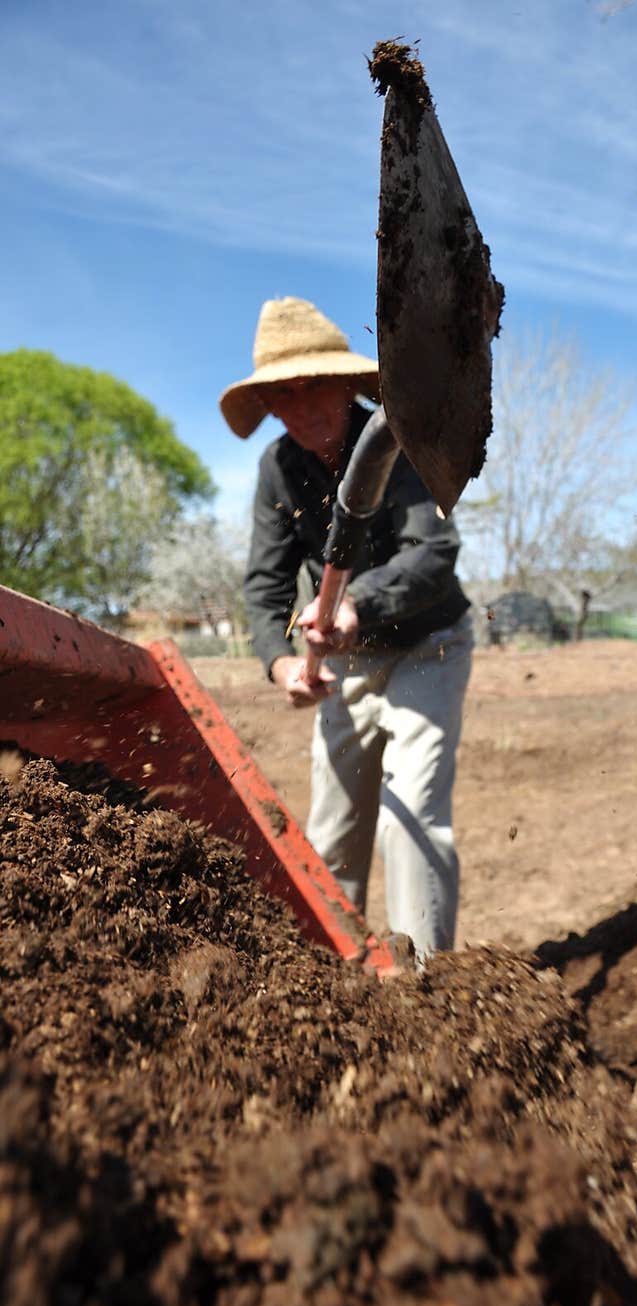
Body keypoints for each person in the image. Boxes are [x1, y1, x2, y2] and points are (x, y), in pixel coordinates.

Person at [219, 296, 473, 961]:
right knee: (333, 830)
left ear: (345, 381)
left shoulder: (397, 438)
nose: (303, 408)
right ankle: (336, 978)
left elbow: (435, 553)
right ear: (270, 405)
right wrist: (280, 664)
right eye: (284, 394)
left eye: (315, 387)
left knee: (410, 817)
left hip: (428, 646)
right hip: (348, 661)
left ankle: (426, 987)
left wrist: (356, 599)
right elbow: (266, 585)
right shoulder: (277, 468)